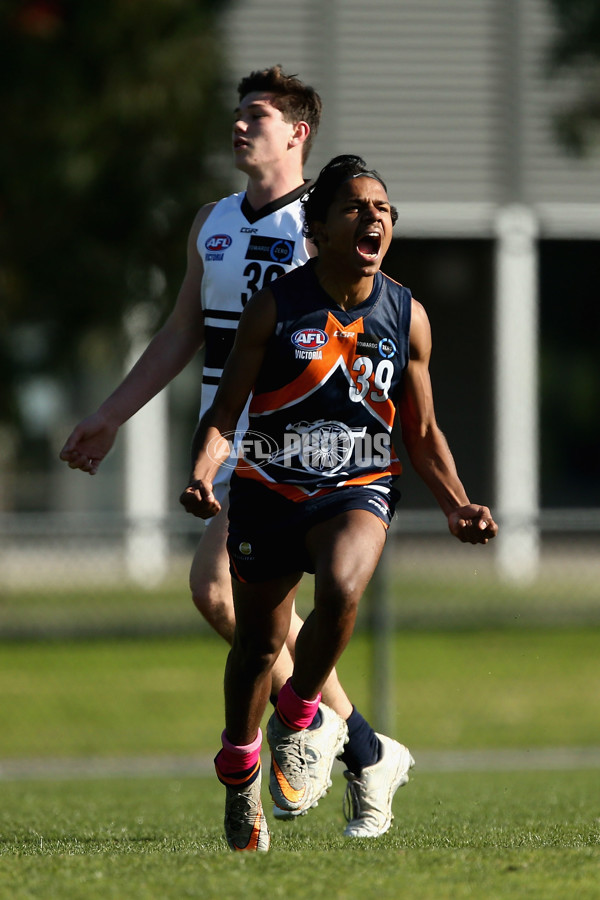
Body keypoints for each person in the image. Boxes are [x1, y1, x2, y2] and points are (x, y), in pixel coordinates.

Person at [59, 68, 412, 840]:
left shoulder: (326, 225)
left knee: (217, 589)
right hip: (226, 437)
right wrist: (112, 415)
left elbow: (378, 318)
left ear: (298, 133)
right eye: (239, 112)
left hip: (297, 443)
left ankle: (317, 734)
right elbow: (183, 331)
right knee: (252, 618)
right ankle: (358, 746)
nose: (241, 123)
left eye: (258, 114)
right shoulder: (212, 221)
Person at [180, 154, 498, 853]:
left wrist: (457, 504)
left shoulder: (406, 315)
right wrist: (205, 473)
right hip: (268, 488)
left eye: (383, 209)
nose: (374, 217)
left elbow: (419, 431)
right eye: (356, 207)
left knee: (346, 585)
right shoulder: (275, 307)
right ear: (318, 230)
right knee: (259, 644)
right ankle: (240, 769)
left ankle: (300, 719)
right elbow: (226, 413)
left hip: (358, 485)